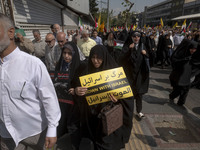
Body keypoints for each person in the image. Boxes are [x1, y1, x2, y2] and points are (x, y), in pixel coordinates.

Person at [0, 13, 61, 150]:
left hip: (35, 134)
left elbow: (49, 98)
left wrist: (52, 129)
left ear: (11, 33)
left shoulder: (33, 64)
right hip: (5, 135)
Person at [73, 45, 134, 150]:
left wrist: (118, 100)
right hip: (91, 121)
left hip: (108, 120)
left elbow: (127, 97)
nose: (95, 61)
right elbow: (79, 95)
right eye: (93, 57)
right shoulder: (86, 72)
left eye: (99, 58)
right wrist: (76, 91)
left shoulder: (115, 74)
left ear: (105, 57)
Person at [55, 42, 81, 150]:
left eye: (69, 54)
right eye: (64, 53)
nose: (66, 56)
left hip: (75, 103)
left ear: (74, 54)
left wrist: (76, 90)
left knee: (74, 126)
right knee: (62, 122)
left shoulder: (80, 67)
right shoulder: (59, 65)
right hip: (62, 101)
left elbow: (83, 86)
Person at [119, 31, 150, 119]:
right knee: (130, 94)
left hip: (139, 74)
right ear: (131, 37)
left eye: (138, 36)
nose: (136, 38)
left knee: (139, 94)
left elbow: (151, 58)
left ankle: (139, 111)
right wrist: (129, 50)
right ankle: (129, 110)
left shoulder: (143, 46)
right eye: (134, 36)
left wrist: (146, 54)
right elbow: (121, 59)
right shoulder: (127, 46)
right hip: (129, 75)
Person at [169, 39, 199, 106]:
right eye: (191, 49)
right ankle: (172, 96)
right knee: (180, 88)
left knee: (186, 89)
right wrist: (184, 60)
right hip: (180, 74)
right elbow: (175, 61)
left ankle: (181, 103)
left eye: (195, 49)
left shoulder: (195, 55)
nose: (193, 51)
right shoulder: (182, 53)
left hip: (190, 75)